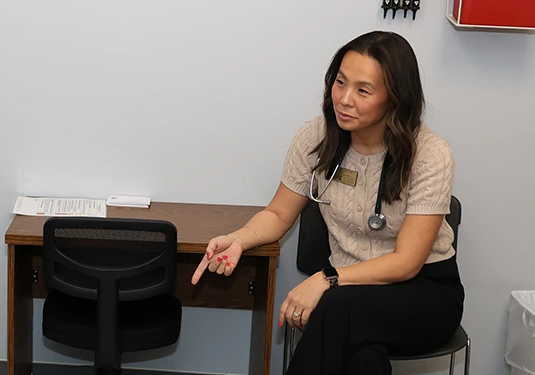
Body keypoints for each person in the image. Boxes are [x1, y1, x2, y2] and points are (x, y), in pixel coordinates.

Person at [190, 31, 463, 375]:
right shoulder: (318, 136)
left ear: (395, 99)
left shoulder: (430, 153)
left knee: (338, 309)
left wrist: (327, 279)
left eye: (363, 90)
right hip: (348, 294)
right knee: (363, 357)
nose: (344, 99)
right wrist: (239, 239)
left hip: (423, 293)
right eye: (340, 83)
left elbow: (407, 262)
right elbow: (278, 212)